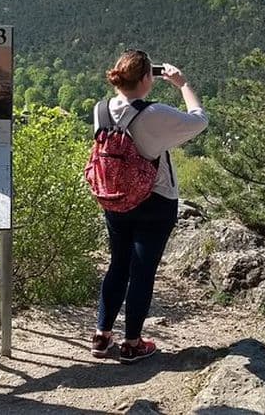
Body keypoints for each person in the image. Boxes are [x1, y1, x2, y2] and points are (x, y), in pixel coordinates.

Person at [92, 49, 208, 363]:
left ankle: (102, 336)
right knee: (142, 272)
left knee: (118, 265)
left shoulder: (100, 110)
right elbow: (200, 120)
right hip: (155, 202)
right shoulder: (154, 113)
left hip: (115, 199)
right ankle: (132, 343)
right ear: (147, 78)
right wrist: (182, 84)